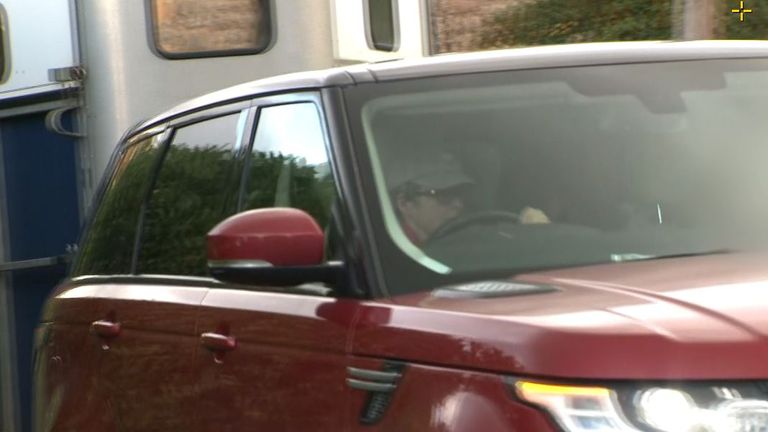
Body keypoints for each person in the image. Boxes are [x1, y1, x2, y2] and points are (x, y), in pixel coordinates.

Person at [388, 152, 549, 245]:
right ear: (404, 203)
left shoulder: (475, 240)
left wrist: (536, 235)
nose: (458, 204)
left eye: (461, 193)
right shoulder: (393, 258)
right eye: (444, 195)